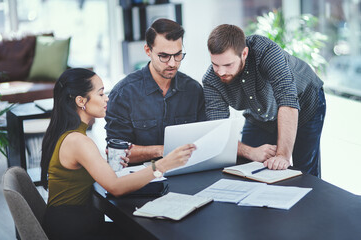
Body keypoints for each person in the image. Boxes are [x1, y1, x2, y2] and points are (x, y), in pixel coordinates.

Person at [40, 68, 196, 240]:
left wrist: (104, 164)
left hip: (70, 222)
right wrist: (162, 165)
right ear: (80, 100)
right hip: (73, 230)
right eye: (100, 94)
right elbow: (116, 187)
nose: (106, 98)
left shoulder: (68, 134)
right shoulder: (78, 141)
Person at [203, 24, 326, 177]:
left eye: (228, 65)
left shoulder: (266, 51)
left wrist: (282, 156)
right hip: (261, 113)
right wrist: (250, 152)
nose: (221, 72)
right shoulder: (211, 81)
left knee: (304, 172)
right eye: (215, 64)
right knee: (248, 167)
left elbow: (287, 100)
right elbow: (218, 133)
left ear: (244, 53)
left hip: (305, 101)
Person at [105, 18, 206, 164]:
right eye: (164, 56)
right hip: (141, 178)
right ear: (148, 51)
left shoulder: (194, 90)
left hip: (186, 172)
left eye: (178, 55)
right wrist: (163, 151)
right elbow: (116, 154)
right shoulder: (123, 94)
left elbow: (204, 141)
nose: (172, 63)